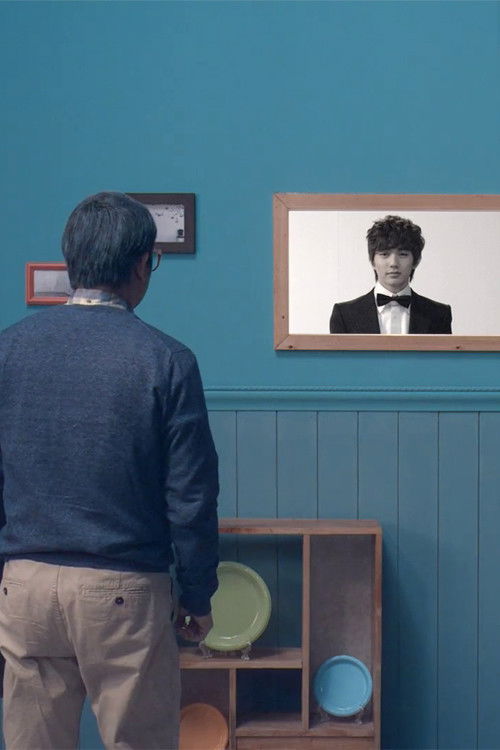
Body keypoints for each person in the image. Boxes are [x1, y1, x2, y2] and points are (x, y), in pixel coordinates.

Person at [0, 191, 219, 750]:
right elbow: (191, 496)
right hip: (124, 587)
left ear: (72, 260)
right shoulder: (166, 360)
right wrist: (197, 594)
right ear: (142, 264)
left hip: (24, 582)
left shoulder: (9, 350)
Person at [329, 214, 452, 334]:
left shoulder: (440, 314)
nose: (393, 263)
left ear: (416, 261)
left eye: (403, 254)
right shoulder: (344, 315)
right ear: (372, 261)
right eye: (384, 254)